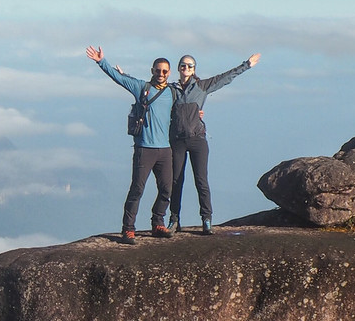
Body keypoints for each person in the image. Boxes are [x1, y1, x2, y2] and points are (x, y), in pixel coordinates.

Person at [85, 45, 174, 243]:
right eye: (158, 70)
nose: (161, 73)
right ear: (152, 71)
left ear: (169, 73)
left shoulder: (172, 93)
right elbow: (121, 80)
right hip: (144, 147)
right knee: (137, 189)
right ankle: (128, 229)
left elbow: (186, 107)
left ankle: (158, 223)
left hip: (165, 149)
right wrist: (102, 62)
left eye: (164, 71)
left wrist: (198, 114)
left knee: (167, 188)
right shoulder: (143, 88)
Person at [169, 53, 261, 234]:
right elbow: (151, 90)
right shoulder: (171, 89)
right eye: (183, 65)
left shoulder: (202, 86)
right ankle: (174, 220)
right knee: (175, 181)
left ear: (194, 69)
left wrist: (246, 65)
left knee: (201, 181)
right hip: (178, 140)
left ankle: (206, 219)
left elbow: (225, 78)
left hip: (197, 140)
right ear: (178, 68)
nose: (186, 68)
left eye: (190, 66)